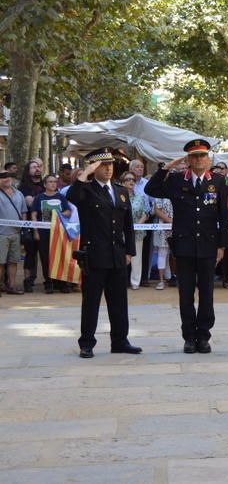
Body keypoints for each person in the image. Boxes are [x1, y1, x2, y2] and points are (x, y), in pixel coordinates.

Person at [145, 139, 228, 354]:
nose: (199, 159)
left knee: (207, 293)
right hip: (184, 245)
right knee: (186, 294)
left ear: (208, 159)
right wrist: (167, 167)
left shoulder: (218, 181)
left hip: (208, 246)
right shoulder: (175, 180)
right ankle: (189, 337)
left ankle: (204, 336)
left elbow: (223, 216)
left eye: (202, 155)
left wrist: (222, 245)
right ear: (188, 159)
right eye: (194, 156)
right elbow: (151, 188)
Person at [66, 147, 142, 358]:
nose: (108, 169)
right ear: (94, 167)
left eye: (110, 165)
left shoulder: (120, 190)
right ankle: (87, 343)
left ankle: (120, 340)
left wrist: (129, 251)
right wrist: (85, 173)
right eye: (103, 165)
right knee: (91, 302)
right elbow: (71, 196)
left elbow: (128, 225)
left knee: (119, 302)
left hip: (117, 254)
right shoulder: (86, 190)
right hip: (95, 255)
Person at [30, 174, 72, 294]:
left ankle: (62, 283)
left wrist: (59, 214)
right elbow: (33, 215)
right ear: (45, 184)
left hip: (59, 233)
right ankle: (48, 283)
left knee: (60, 256)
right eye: (50, 182)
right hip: (44, 233)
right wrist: (35, 231)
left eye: (55, 182)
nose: (53, 184)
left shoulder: (61, 197)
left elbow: (68, 211)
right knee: (45, 258)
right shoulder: (39, 198)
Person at [0, 169, 27, 295]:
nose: (7, 178)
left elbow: (23, 212)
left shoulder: (19, 194)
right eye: (3, 176)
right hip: (1, 234)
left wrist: (24, 226)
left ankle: (11, 286)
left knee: (13, 261)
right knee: (0, 262)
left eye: (8, 176)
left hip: (16, 234)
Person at [120, 172, 148, 290]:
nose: (131, 181)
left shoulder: (140, 197)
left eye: (133, 180)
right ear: (122, 183)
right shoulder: (118, 197)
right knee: (121, 257)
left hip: (137, 232)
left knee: (137, 259)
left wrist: (139, 224)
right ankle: (121, 282)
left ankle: (135, 282)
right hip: (120, 233)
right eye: (128, 179)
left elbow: (146, 212)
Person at [19, 159, 43, 293]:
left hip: (45, 225)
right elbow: (29, 203)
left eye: (38, 166)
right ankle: (28, 280)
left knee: (46, 254)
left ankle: (50, 280)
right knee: (30, 254)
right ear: (28, 171)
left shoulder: (46, 184)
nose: (37, 169)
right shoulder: (23, 188)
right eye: (34, 167)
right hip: (29, 224)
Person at [153, 194, 174, 290]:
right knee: (162, 253)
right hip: (163, 228)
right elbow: (157, 210)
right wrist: (169, 221)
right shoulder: (159, 194)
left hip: (178, 228)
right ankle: (161, 281)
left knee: (176, 254)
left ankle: (171, 277)